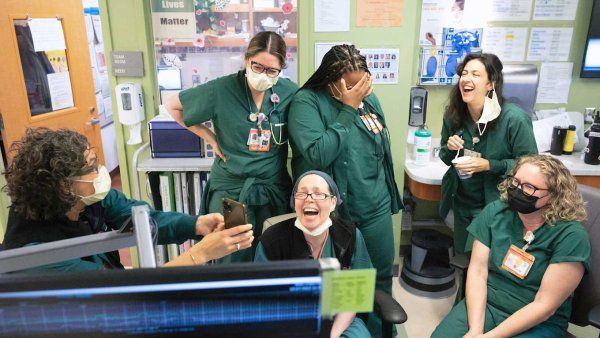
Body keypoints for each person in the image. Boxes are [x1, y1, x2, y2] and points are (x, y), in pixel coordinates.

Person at [1, 128, 254, 272]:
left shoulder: (88, 197)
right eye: (91, 167)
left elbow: (144, 218)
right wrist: (199, 254)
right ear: (63, 186)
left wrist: (196, 225)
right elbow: (124, 292)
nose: (101, 169)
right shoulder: (38, 257)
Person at [166, 31, 298, 262]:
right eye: (257, 66)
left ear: (281, 69)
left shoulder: (288, 92)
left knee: (274, 255)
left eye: (271, 70)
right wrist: (210, 137)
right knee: (233, 253)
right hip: (234, 192)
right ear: (247, 60)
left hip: (273, 189)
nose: (263, 74)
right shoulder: (222, 90)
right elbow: (173, 106)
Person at [432, 154, 591, 337]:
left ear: (553, 195)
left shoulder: (571, 236)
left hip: (537, 320)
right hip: (488, 304)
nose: (517, 190)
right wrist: (476, 328)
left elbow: (544, 305)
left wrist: (489, 337)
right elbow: (478, 271)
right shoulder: (496, 211)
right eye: (515, 182)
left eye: (529, 187)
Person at [288, 44, 402, 298]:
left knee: (381, 277)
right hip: (335, 211)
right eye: (352, 87)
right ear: (331, 81)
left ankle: (382, 330)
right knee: (342, 285)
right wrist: (348, 108)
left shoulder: (368, 99)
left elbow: (382, 148)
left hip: (374, 205)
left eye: (363, 85)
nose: (360, 92)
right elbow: (318, 154)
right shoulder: (306, 102)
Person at [439, 53, 538, 255]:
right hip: (462, 203)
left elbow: (532, 167)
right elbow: (445, 157)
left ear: (490, 84)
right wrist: (449, 149)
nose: (466, 79)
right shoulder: (454, 115)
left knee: (484, 263)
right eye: (464, 73)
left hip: (497, 205)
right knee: (462, 259)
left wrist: (490, 165)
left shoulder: (514, 119)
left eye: (475, 74)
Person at [255, 171, 371, 338]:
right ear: (294, 202)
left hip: (339, 320)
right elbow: (264, 302)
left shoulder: (350, 236)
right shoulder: (272, 242)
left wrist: (331, 335)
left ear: (332, 203)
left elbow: (353, 299)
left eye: (318, 194)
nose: (309, 198)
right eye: (301, 193)